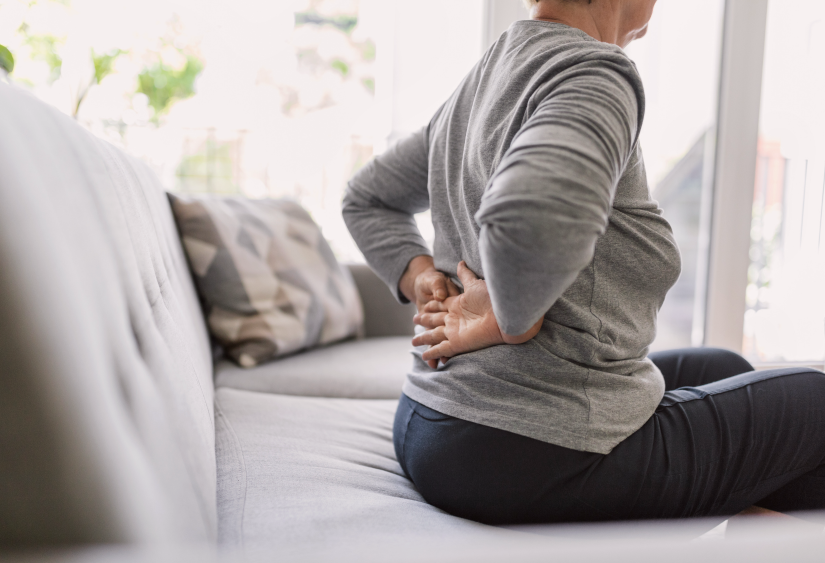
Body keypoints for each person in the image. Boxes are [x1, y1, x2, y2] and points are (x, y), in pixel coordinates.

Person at [342, 0, 825, 524]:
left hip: (432, 421)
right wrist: (511, 317)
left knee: (720, 368)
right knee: (817, 401)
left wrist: (423, 279)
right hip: (529, 446)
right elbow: (528, 212)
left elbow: (365, 197)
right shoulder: (594, 73)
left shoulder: (489, 73)